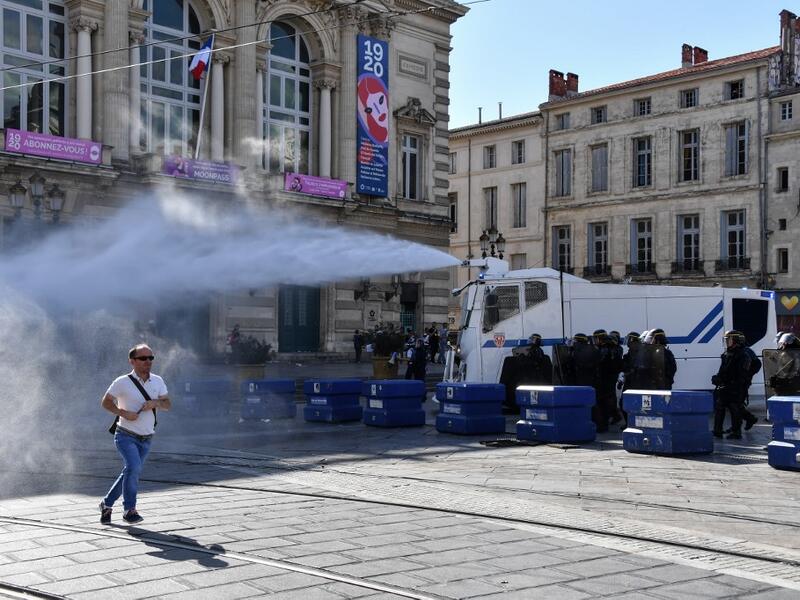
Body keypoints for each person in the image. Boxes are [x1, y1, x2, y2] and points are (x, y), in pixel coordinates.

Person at [99, 344, 170, 524]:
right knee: (134, 468)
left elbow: (167, 404)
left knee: (130, 471)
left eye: (151, 358)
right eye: (143, 358)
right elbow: (106, 402)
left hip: (147, 438)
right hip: (125, 435)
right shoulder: (122, 382)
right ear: (132, 361)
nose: (148, 361)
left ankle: (106, 504)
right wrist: (123, 413)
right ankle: (129, 510)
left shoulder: (158, 381)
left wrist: (155, 403)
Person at [712, 330, 756, 439]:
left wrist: (734, 383)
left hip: (736, 386)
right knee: (720, 406)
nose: (727, 342)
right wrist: (718, 378)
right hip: (726, 385)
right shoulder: (726, 354)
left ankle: (737, 432)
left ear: (736, 341)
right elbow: (723, 370)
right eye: (726, 340)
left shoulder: (743, 355)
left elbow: (741, 374)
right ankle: (717, 430)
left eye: (729, 340)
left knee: (734, 407)